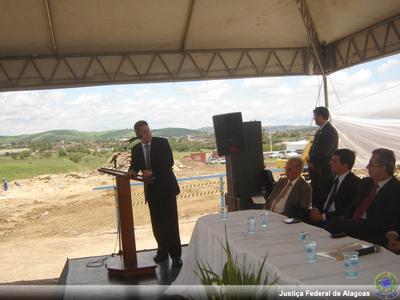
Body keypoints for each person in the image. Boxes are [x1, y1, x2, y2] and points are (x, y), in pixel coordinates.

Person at [127, 120, 182, 267]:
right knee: (157, 224)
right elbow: (135, 165)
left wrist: (153, 171)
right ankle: (162, 252)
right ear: (138, 135)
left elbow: (169, 162)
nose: (148, 133)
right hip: (151, 191)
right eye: (144, 132)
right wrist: (132, 171)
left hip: (167, 188)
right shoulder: (136, 149)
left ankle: (176, 256)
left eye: (149, 130)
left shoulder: (162, 143)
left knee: (171, 223)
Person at [325, 148, 400, 248]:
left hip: (374, 232)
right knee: (333, 223)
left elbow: (395, 220)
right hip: (354, 226)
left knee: (333, 223)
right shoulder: (366, 183)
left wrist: (392, 235)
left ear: (384, 168)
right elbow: (352, 207)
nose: (367, 167)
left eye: (371, 164)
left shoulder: (396, 190)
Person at [309, 149, 360, 226]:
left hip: (335, 222)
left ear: (345, 164)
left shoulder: (354, 183)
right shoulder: (332, 179)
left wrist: (322, 217)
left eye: (334, 161)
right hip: (321, 217)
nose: (330, 163)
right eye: (331, 160)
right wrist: (315, 210)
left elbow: (345, 210)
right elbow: (323, 199)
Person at [307, 106, 338, 211]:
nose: (314, 118)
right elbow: (313, 147)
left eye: (315, 116)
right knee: (317, 194)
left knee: (323, 194)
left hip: (324, 170)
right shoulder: (320, 131)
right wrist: (310, 159)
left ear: (321, 116)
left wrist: (313, 162)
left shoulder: (330, 131)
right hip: (317, 169)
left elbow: (325, 152)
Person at [265, 157, 311, 221]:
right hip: (268, 215)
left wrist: (278, 217)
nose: (286, 173)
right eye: (285, 169)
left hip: (283, 219)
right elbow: (270, 198)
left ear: (298, 171)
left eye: (289, 170)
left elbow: (301, 212)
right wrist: (264, 211)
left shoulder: (305, 188)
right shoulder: (282, 180)